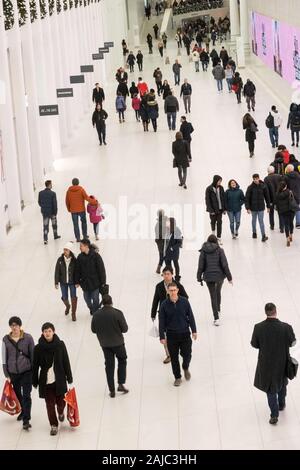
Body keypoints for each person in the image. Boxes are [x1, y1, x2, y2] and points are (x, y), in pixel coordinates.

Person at [251, 303, 296, 425]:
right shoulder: (286, 327)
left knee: (271, 390)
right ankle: (281, 404)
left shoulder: (258, 327)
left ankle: (274, 415)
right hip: (282, 363)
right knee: (282, 383)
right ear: (276, 311)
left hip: (266, 364)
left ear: (266, 312)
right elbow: (293, 343)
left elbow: (254, 344)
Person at [32, 322, 73, 436]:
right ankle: (53, 425)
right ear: (42, 333)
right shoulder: (38, 348)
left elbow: (66, 361)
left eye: (49, 331)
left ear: (53, 332)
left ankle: (61, 412)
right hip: (46, 382)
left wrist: (69, 377)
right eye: (45, 331)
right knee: (49, 404)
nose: (47, 333)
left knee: (61, 403)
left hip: (59, 380)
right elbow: (35, 366)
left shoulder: (60, 345)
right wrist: (34, 381)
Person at [159, 283, 197, 387]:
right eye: (170, 290)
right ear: (167, 291)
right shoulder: (164, 305)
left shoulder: (184, 302)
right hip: (171, 336)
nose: (172, 292)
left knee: (187, 354)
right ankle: (177, 377)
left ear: (178, 290)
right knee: (174, 358)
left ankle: (185, 367)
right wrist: (162, 336)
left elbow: (191, 316)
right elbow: (161, 321)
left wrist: (194, 330)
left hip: (185, 333)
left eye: (174, 290)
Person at [91, 295, 129, 398]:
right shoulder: (117, 313)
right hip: (118, 343)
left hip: (105, 344)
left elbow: (93, 330)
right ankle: (121, 383)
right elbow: (125, 329)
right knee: (122, 360)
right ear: (111, 302)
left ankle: (111, 390)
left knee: (109, 365)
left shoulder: (96, 314)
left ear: (102, 303)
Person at [2, 316, 34, 430]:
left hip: (26, 371)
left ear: (20, 326)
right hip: (13, 372)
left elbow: (32, 355)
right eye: (12, 325)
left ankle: (26, 420)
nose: (14, 327)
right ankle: (23, 411)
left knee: (26, 395)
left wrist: (34, 372)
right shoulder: (6, 340)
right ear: (10, 326)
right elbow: (4, 357)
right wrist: (6, 374)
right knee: (18, 394)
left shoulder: (28, 338)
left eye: (16, 325)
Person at [152, 267, 189, 364]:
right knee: (164, 334)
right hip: (163, 313)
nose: (166, 276)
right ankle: (169, 354)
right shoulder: (159, 286)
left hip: (176, 313)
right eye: (164, 274)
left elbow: (186, 297)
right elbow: (155, 299)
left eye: (168, 274)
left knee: (176, 332)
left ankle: (179, 348)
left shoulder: (178, 285)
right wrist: (153, 313)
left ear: (172, 274)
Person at [197, 235, 232, 326]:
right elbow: (225, 265)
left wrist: (198, 277)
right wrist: (229, 278)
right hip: (219, 276)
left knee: (213, 296)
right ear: (216, 241)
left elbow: (201, 265)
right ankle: (218, 310)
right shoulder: (220, 250)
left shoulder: (203, 251)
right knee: (218, 292)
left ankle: (216, 318)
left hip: (208, 277)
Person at [75, 238, 106, 315]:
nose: (80, 247)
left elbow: (101, 270)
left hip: (95, 283)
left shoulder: (96, 256)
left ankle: (96, 312)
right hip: (85, 283)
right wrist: (77, 281)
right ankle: (92, 308)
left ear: (86, 246)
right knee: (87, 299)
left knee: (95, 299)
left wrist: (103, 282)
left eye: (81, 246)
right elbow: (77, 270)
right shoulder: (80, 257)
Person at [65, 178, 95, 242]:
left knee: (75, 224)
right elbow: (87, 198)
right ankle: (84, 236)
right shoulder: (81, 189)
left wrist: (69, 209)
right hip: (81, 209)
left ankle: (78, 238)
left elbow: (67, 201)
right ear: (78, 183)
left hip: (73, 210)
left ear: (72, 183)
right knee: (83, 222)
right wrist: (94, 202)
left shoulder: (68, 191)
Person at [54, 241, 78, 321]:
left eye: (66, 250)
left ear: (70, 251)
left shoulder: (74, 260)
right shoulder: (60, 260)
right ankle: (67, 306)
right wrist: (56, 282)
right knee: (64, 297)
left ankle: (73, 313)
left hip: (72, 282)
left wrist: (77, 282)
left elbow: (77, 272)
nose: (65, 251)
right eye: (64, 249)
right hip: (63, 282)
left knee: (73, 297)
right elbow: (57, 271)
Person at [245, 174, 270, 242]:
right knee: (254, 220)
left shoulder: (263, 186)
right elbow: (247, 198)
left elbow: (267, 197)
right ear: (253, 179)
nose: (255, 180)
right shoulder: (250, 187)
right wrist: (248, 208)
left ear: (259, 178)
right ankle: (254, 232)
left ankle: (263, 236)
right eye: (254, 179)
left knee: (261, 221)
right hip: (253, 208)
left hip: (261, 207)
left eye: (256, 178)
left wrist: (268, 206)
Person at [38, 180, 61, 245]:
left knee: (45, 225)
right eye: (51, 184)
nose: (52, 185)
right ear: (49, 185)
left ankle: (45, 239)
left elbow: (39, 202)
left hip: (45, 212)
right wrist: (55, 212)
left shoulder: (40, 193)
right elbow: (55, 204)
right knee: (54, 225)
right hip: (52, 212)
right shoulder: (53, 193)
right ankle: (55, 235)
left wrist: (43, 207)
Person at [205, 175, 226, 243]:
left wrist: (224, 209)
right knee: (213, 222)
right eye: (219, 181)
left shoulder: (221, 188)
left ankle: (219, 237)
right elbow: (207, 200)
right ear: (215, 180)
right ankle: (213, 235)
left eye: (220, 181)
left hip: (220, 209)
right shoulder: (209, 188)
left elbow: (223, 198)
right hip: (213, 210)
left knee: (219, 223)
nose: (220, 182)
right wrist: (211, 210)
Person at [275, 181, 295, 246]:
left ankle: (287, 239)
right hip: (291, 210)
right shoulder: (289, 192)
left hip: (283, 211)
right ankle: (291, 235)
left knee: (286, 225)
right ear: (285, 186)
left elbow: (277, 204)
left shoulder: (277, 194)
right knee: (291, 223)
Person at [264, 166, 284, 231]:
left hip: (271, 199)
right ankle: (281, 227)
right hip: (280, 198)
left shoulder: (266, 179)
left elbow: (266, 191)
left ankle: (272, 226)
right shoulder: (279, 176)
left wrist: (268, 201)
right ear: (274, 170)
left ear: (268, 171)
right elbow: (283, 187)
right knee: (280, 213)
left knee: (271, 213)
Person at [285, 163, 300, 228]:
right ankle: (298, 223)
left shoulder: (285, 177)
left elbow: (285, 186)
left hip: (290, 195)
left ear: (288, 169)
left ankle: (289, 223)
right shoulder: (298, 175)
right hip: (298, 194)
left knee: (290, 210)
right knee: (297, 208)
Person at [154, 209, 168, 274]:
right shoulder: (166, 221)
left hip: (161, 242)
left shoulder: (158, 224)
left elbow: (157, 233)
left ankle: (159, 269)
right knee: (165, 257)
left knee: (162, 256)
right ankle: (164, 270)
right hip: (165, 241)